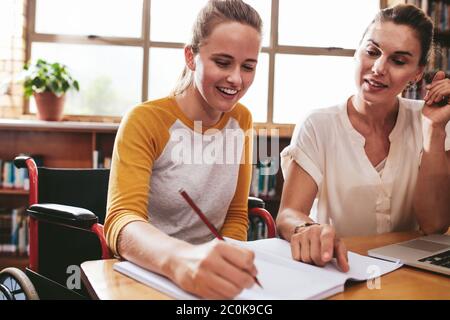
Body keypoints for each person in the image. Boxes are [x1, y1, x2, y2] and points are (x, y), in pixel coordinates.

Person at [104, 0, 263, 299]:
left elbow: (236, 216)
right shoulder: (145, 121)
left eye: (248, 66)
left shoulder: (242, 120)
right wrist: (182, 262)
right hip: (148, 274)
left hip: (209, 282)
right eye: (223, 62)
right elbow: (121, 222)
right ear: (191, 57)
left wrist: (226, 269)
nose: (236, 79)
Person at [277, 4, 450, 272]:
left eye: (399, 61)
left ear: (417, 73)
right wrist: (307, 229)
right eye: (372, 52)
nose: (379, 68)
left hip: (407, 274)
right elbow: (288, 214)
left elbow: (434, 225)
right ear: (357, 52)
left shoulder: (429, 123)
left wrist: (434, 131)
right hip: (337, 268)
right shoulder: (318, 124)